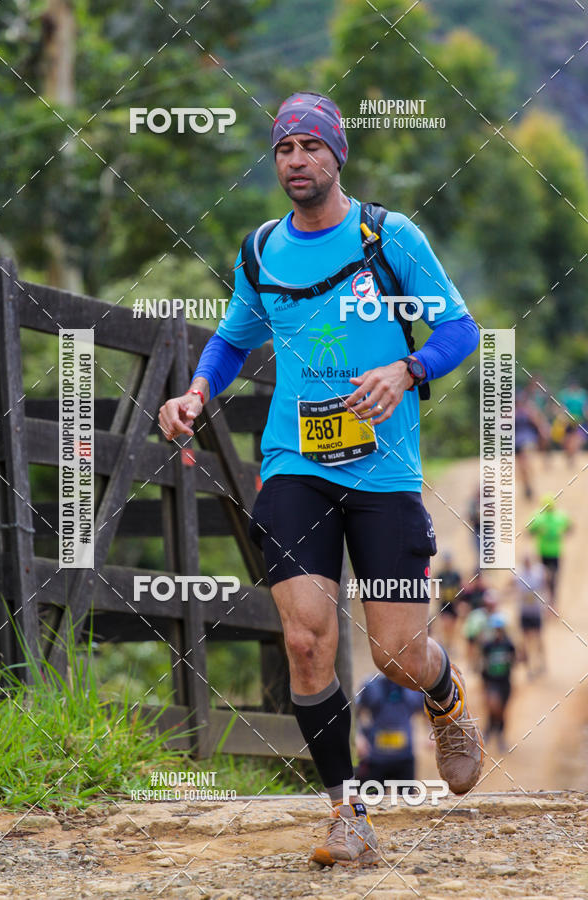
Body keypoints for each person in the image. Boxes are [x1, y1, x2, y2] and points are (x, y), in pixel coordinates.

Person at [159, 90, 484, 867]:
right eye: (283, 149)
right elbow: (232, 340)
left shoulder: (387, 235)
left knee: (398, 654)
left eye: (310, 146)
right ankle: (346, 814)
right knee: (307, 640)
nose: (296, 160)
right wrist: (197, 393)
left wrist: (407, 370)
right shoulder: (261, 250)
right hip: (294, 465)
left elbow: (461, 329)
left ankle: (445, 697)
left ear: (338, 154)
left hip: (385, 474)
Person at [355, 675, 425, 787]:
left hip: (405, 758)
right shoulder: (371, 686)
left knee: (408, 801)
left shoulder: (414, 688)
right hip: (375, 759)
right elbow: (353, 712)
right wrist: (358, 736)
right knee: (371, 800)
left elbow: (430, 712)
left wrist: (431, 733)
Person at [528, 494, 572, 609]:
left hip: (552, 552)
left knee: (551, 578)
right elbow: (529, 531)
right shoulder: (555, 516)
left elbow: (570, 527)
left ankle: (551, 602)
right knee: (548, 579)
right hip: (545, 552)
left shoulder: (543, 516)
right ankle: (548, 602)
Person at [481, 613, 516, 752]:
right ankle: (490, 733)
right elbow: (483, 664)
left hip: (505, 683)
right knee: (493, 706)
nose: (497, 632)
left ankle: (496, 734)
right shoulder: (488, 646)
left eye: (499, 629)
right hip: (492, 682)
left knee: (501, 711)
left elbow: (514, 661)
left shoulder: (508, 645)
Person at [509, 553, 547, 677]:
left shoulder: (538, 573)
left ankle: (542, 663)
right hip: (525, 612)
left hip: (535, 611)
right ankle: (530, 668)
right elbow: (510, 584)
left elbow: (545, 584)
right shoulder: (518, 574)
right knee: (525, 641)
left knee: (538, 638)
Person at [435, 551, 462, 654]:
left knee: (453, 627)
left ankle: (451, 645)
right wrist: (438, 601)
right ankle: (446, 644)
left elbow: (459, 589)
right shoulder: (440, 575)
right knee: (446, 625)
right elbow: (437, 589)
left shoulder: (455, 575)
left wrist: (458, 603)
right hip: (444, 603)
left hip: (453, 603)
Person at [557, 381, 588, 467]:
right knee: (567, 441)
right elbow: (562, 407)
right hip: (567, 421)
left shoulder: (583, 395)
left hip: (579, 421)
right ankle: (569, 455)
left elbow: (585, 408)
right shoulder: (564, 394)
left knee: (576, 440)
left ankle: (572, 458)